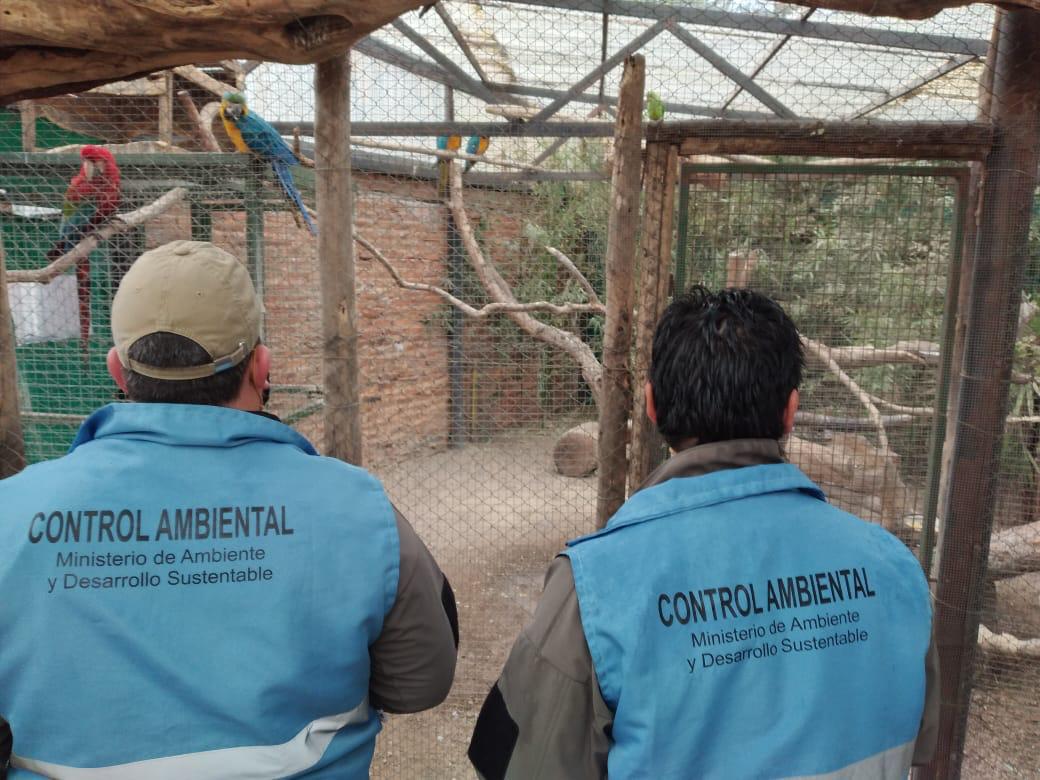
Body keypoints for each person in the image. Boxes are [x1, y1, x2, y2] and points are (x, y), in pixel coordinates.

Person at [0, 240, 458, 778]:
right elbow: (419, 684)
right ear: (261, 367)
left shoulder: (12, 511)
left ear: (118, 372)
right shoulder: (361, 510)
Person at [469, 287, 939, 779]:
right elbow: (917, 743)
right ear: (790, 411)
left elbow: (519, 766)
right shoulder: (896, 569)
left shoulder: (594, 586)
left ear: (651, 406)